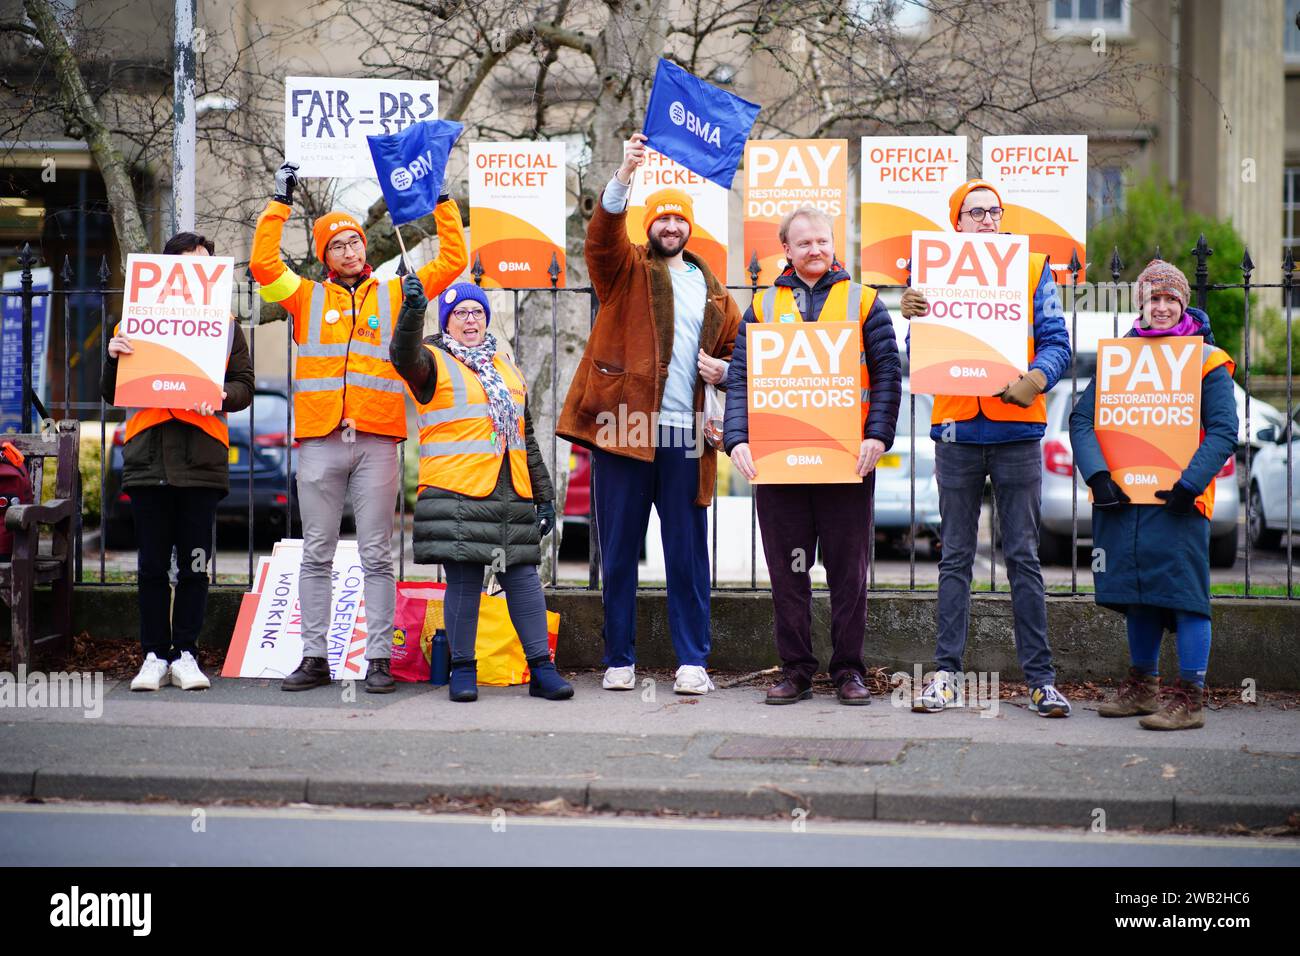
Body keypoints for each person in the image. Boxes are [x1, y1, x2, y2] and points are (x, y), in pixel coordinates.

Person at [251, 160, 467, 694]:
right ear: (325, 255)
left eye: (354, 241)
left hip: (375, 439)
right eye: (338, 245)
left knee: (376, 556)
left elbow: (455, 259)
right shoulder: (303, 296)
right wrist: (281, 201)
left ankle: (377, 659)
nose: (350, 250)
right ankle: (315, 657)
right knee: (317, 551)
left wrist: (439, 198)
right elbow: (261, 264)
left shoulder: (398, 291)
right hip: (321, 440)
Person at [556, 132, 741, 695]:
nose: (670, 227)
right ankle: (619, 659)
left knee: (687, 555)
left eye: (678, 220)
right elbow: (600, 240)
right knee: (617, 552)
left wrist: (725, 373)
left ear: (689, 228)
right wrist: (623, 176)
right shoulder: (624, 268)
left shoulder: (715, 292)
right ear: (650, 226)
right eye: (661, 219)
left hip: (687, 436)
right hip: (623, 428)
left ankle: (693, 662)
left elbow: (738, 357)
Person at [902, 178, 1074, 717]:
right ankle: (946, 676)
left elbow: (1057, 341)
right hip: (956, 431)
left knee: (1023, 556)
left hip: (1017, 432)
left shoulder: (1029, 266)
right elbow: (916, 358)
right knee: (955, 557)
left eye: (994, 211)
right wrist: (912, 318)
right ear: (957, 222)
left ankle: (1041, 681)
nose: (987, 220)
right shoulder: (932, 270)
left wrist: (1037, 380)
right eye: (976, 212)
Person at [724, 207, 901, 704]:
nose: (816, 250)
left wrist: (878, 436)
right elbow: (740, 379)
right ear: (787, 249)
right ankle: (796, 669)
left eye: (822, 241)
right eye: (804, 244)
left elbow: (888, 375)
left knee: (849, 572)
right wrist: (737, 437)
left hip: (848, 461)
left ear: (833, 242)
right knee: (788, 571)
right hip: (781, 462)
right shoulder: (762, 307)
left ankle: (849, 671)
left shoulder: (865, 302)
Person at [1069, 260, 1236, 730]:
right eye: (1153, 299)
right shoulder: (1121, 357)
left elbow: (1224, 430)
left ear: (1183, 303)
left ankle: (1190, 698)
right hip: (1125, 499)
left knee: (1186, 598)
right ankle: (1142, 687)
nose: (1161, 308)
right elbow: (1082, 421)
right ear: (1140, 303)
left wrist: (1189, 484)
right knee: (1137, 594)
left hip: (1180, 501)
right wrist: (1098, 477)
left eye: (1170, 299)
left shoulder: (1205, 358)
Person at [390, 278, 572, 701]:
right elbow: (402, 355)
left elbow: (523, 436)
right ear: (447, 322)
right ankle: (462, 668)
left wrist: (543, 494)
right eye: (459, 314)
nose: (469, 320)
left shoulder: (504, 363)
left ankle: (542, 668)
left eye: (476, 312)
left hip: (511, 491)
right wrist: (413, 312)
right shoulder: (430, 361)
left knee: (524, 576)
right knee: (465, 578)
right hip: (459, 490)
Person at [103, 231, 255, 692]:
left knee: (194, 564)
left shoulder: (226, 323)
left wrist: (223, 394)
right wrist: (113, 358)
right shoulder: (132, 322)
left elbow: (245, 384)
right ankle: (153, 655)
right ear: (169, 270)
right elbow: (112, 393)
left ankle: (185, 654)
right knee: (151, 566)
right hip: (149, 460)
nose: (199, 272)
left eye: (205, 264)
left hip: (202, 460)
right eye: (190, 264)